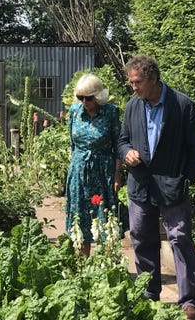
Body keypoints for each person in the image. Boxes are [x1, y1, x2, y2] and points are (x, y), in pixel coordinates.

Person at [118, 54, 195, 320]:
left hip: (172, 186)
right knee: (142, 239)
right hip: (141, 186)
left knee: (180, 240)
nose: (134, 87)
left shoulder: (182, 105)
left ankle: (189, 301)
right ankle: (149, 294)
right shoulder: (133, 106)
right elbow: (121, 141)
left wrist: (185, 178)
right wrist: (127, 153)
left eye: (137, 82)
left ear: (153, 78)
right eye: (131, 83)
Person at [65, 73, 123, 257]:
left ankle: (107, 265)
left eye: (88, 98)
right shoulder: (74, 111)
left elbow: (118, 145)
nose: (84, 101)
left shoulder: (111, 112)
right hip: (79, 172)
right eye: (80, 97)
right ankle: (82, 264)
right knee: (79, 216)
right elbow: (72, 143)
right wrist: (75, 168)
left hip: (103, 171)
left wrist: (116, 174)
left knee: (104, 216)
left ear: (98, 95)